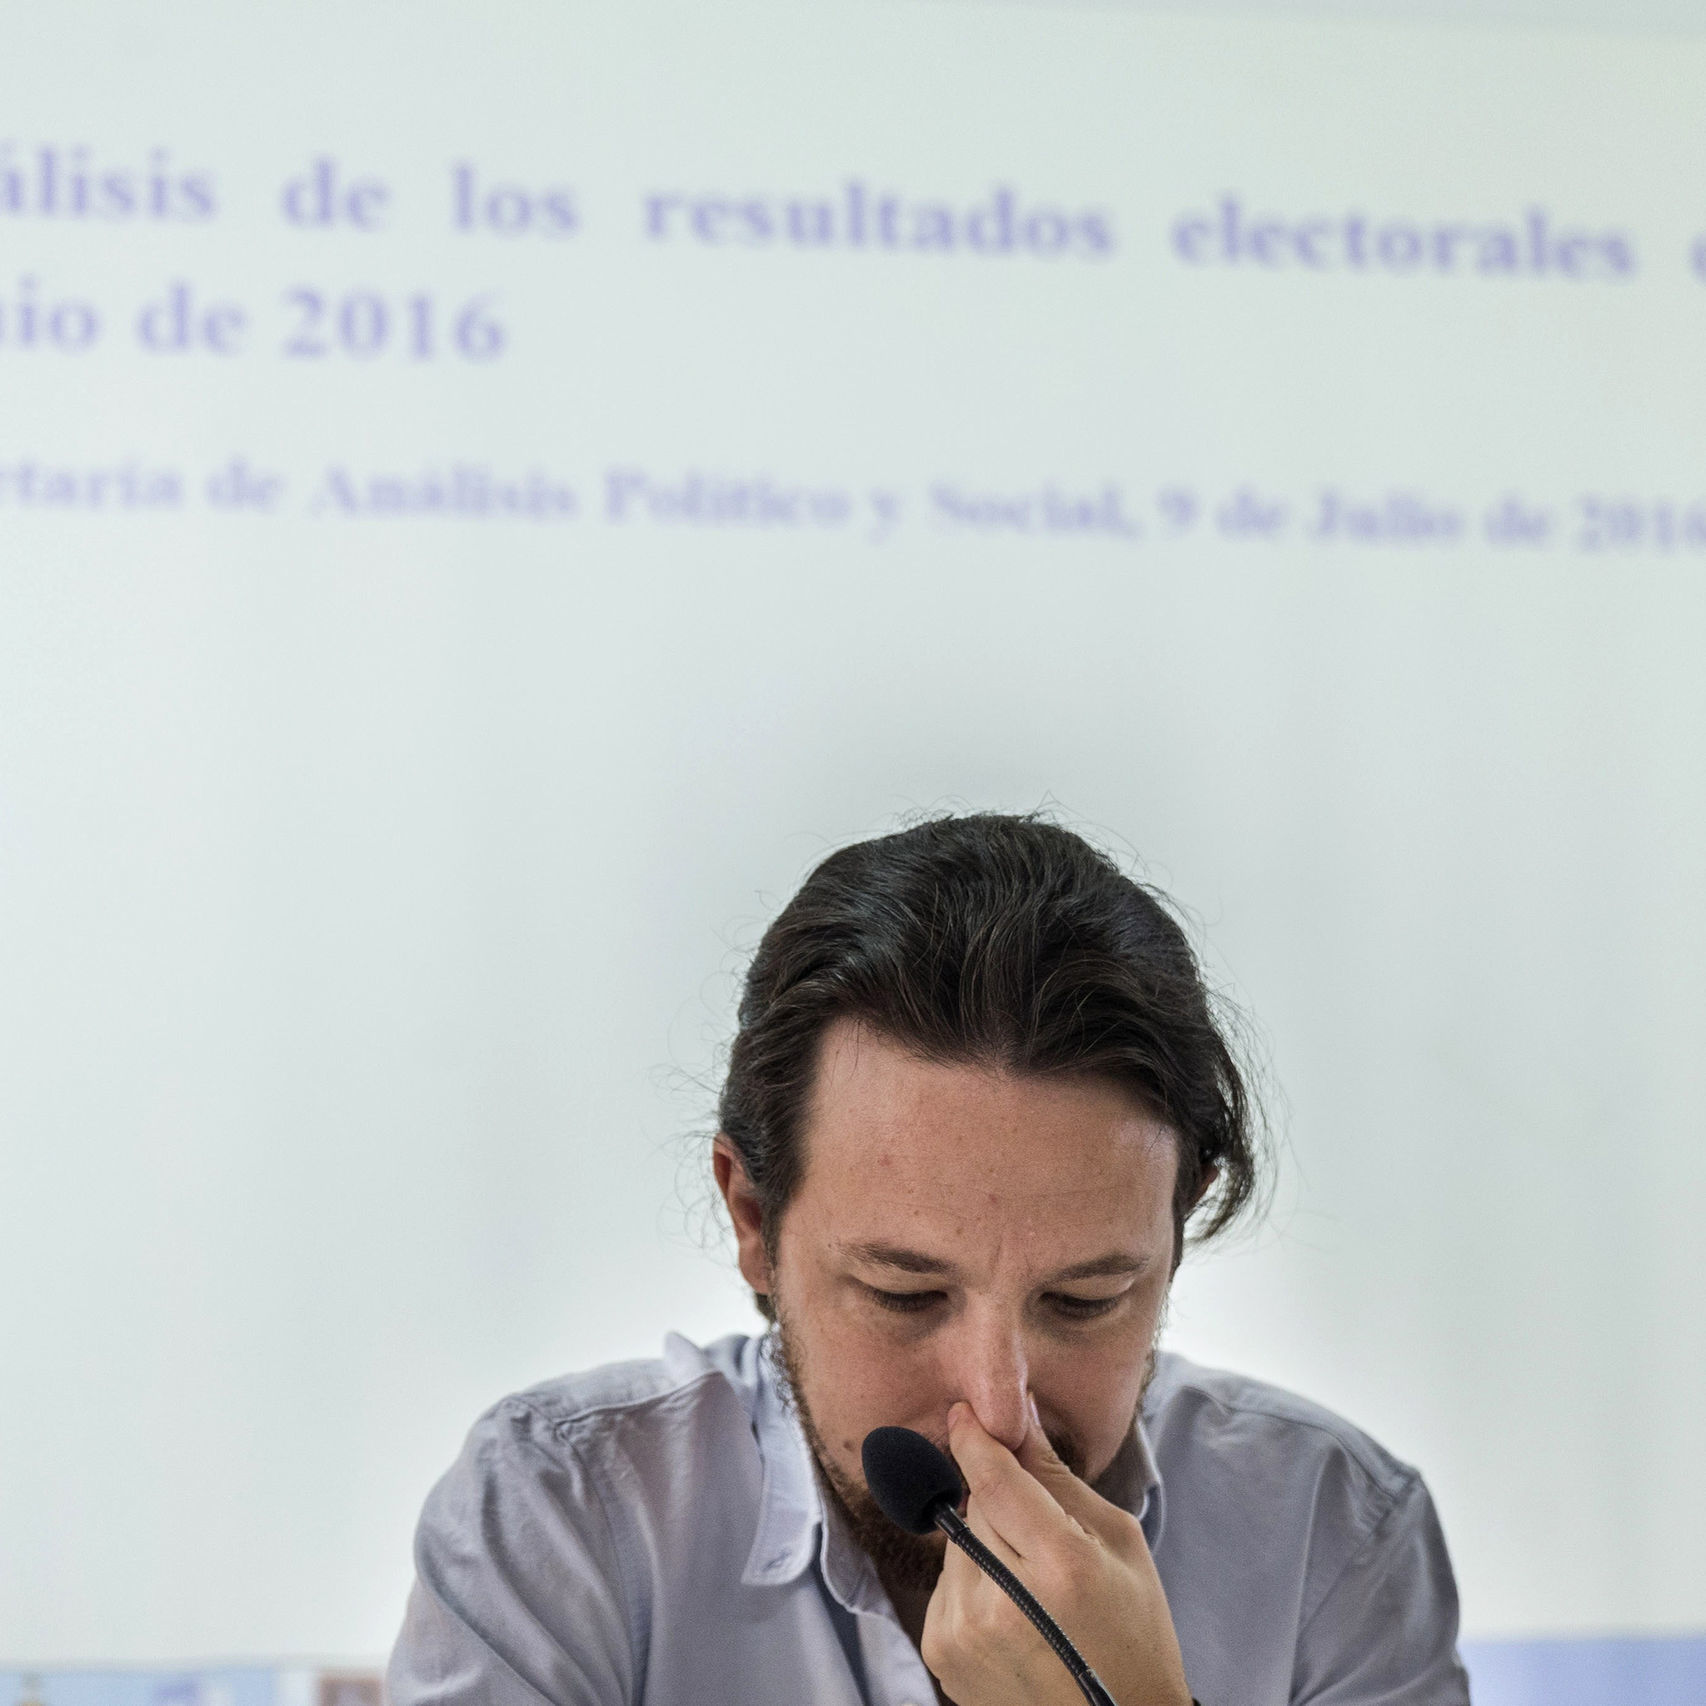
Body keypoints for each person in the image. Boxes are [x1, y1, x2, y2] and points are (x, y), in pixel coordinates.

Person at [387, 814, 1470, 1706]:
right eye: (904, 1294)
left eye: (1084, 1298)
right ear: (753, 1218)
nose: (998, 1412)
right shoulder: (563, 1518)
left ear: (1175, 1232)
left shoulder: (1336, 1533)